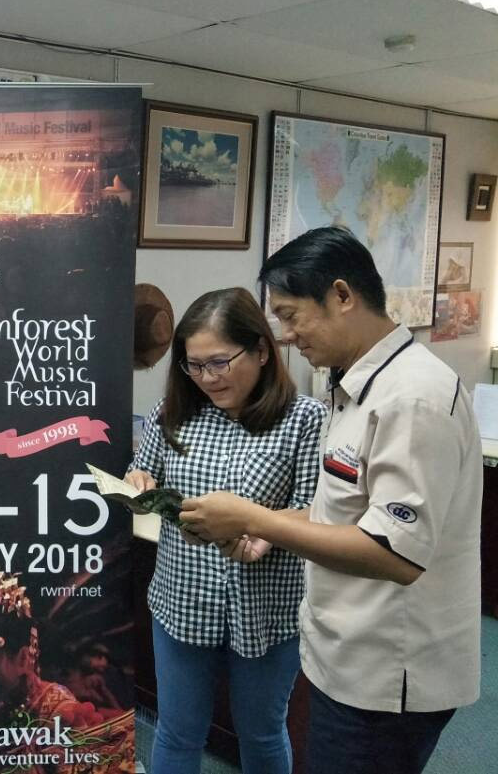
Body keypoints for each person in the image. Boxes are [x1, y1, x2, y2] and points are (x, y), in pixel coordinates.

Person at [181, 227, 482, 774]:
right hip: (342, 658)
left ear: (343, 296)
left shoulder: (413, 396)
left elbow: (394, 553)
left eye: (293, 315)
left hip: (388, 676)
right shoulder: (353, 388)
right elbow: (340, 513)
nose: (287, 336)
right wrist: (263, 526)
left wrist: (251, 515)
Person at [125, 287, 324, 774]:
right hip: (182, 601)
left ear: (260, 350)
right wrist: (139, 481)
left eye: (218, 362)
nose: (206, 378)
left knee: (261, 732)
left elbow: (315, 510)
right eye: (193, 366)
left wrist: (266, 534)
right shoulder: (172, 413)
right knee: (177, 731)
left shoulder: (305, 420)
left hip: (266, 608)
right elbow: (142, 471)